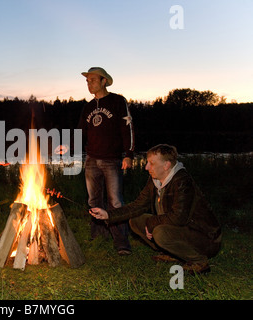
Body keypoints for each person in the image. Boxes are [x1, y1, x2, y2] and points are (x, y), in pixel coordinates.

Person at [89, 144, 222, 275]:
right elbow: (137, 205)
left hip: (205, 238)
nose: (146, 167)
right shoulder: (155, 180)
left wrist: (152, 222)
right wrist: (108, 214)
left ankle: (199, 261)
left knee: (159, 232)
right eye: (147, 162)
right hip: (180, 229)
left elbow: (178, 217)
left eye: (151, 163)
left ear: (166, 165)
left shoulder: (182, 182)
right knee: (135, 220)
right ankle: (172, 253)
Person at [78, 67, 135, 255]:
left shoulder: (118, 101)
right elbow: (81, 132)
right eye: (87, 81)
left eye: (92, 80)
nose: (89, 83)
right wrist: (69, 146)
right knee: (94, 200)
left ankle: (121, 242)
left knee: (115, 201)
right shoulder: (87, 107)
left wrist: (129, 154)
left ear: (104, 81)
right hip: (92, 159)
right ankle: (99, 235)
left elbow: (128, 128)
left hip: (112, 160)